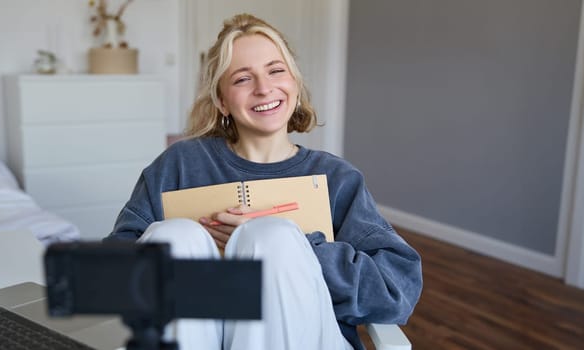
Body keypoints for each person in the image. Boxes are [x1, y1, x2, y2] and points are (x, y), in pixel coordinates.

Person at [104, 13, 422, 350]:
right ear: (222, 101)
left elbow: (396, 290)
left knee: (271, 236)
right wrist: (197, 252)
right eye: (242, 78)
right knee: (174, 236)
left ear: (295, 84)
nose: (263, 88)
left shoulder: (337, 179)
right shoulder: (180, 165)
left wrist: (302, 250)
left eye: (275, 70)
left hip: (309, 337)